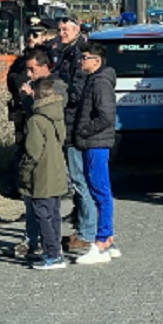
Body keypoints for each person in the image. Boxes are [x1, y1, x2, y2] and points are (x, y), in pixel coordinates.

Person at [72, 41, 120, 264]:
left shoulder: (100, 83)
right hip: (91, 143)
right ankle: (107, 238)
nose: (82, 61)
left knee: (100, 191)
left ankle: (101, 242)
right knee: (97, 190)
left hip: (97, 144)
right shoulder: (92, 80)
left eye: (85, 57)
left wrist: (83, 130)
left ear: (97, 61)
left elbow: (106, 117)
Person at [53, 15, 96, 255]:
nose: (62, 34)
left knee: (80, 181)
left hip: (74, 124)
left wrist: (57, 91)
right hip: (68, 123)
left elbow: (77, 90)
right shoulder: (65, 51)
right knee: (77, 180)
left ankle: (88, 232)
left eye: (66, 29)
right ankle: (81, 227)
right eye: (60, 30)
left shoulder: (80, 53)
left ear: (77, 29)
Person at [18, 78, 68, 270]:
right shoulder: (57, 114)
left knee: (43, 215)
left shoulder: (36, 120)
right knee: (54, 214)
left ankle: (52, 254)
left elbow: (33, 152)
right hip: (56, 171)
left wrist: (23, 174)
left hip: (41, 174)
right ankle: (56, 251)